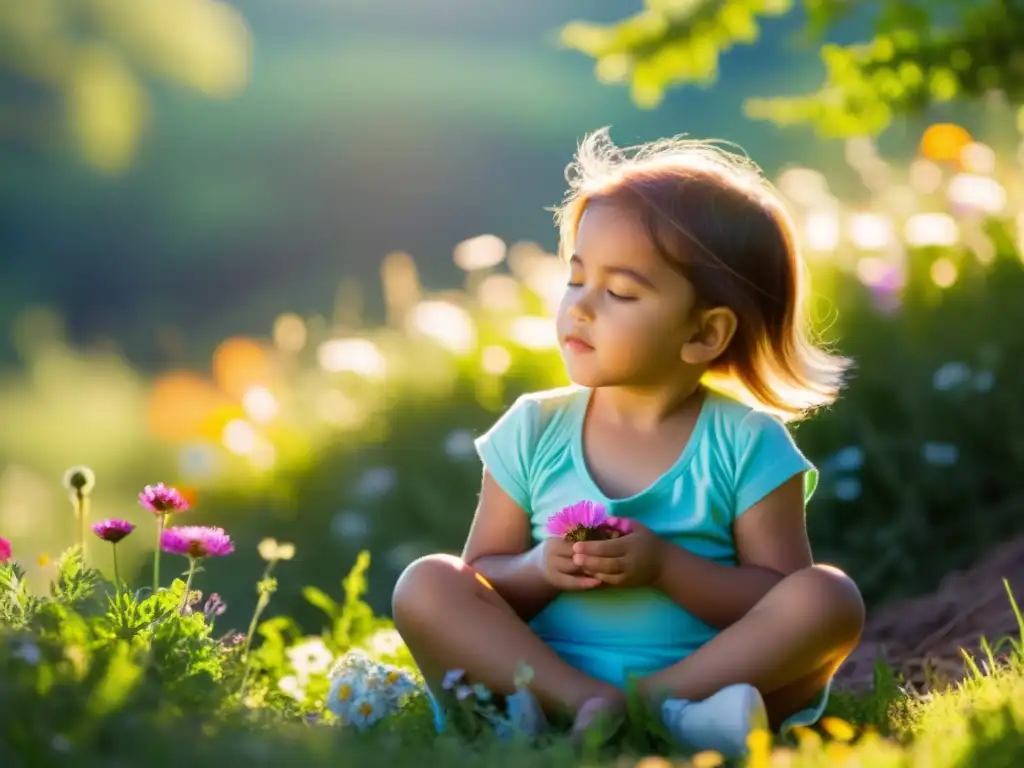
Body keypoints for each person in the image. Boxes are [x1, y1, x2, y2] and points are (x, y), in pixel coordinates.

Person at [391, 128, 865, 757]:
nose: (580, 308)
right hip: (544, 672)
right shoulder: (533, 429)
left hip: (702, 678)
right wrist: (540, 568)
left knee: (828, 597)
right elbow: (483, 581)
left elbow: (774, 598)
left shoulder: (747, 443)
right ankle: (576, 705)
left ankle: (653, 709)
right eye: (576, 278)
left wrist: (667, 569)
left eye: (618, 292)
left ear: (704, 333)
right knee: (427, 582)